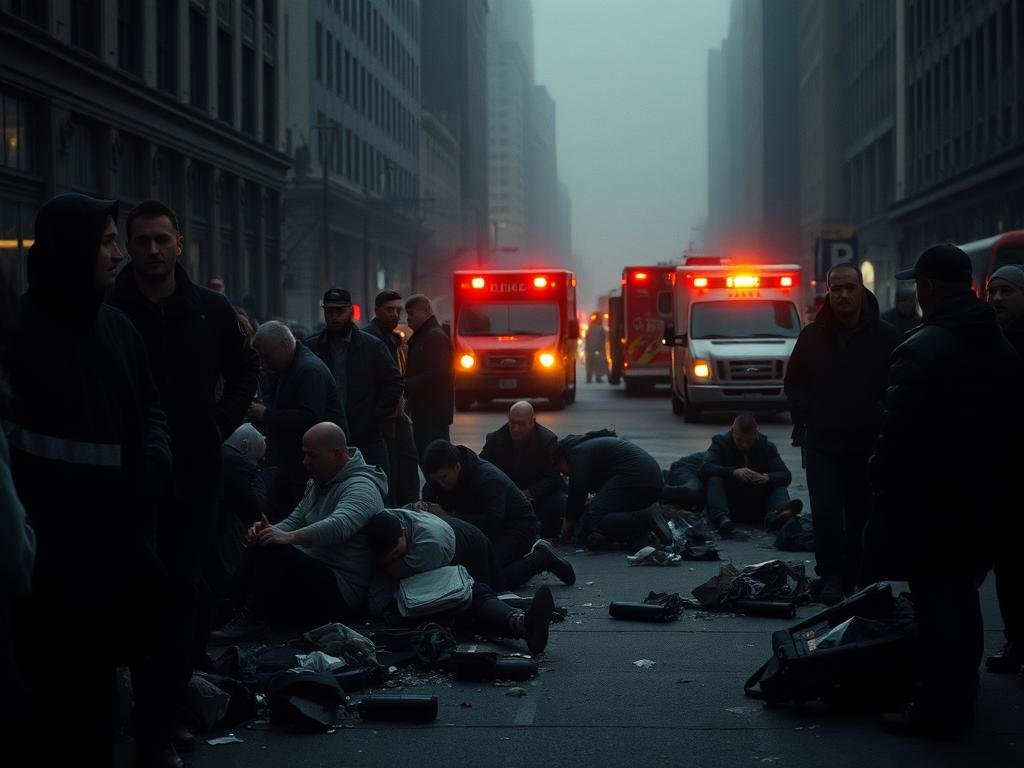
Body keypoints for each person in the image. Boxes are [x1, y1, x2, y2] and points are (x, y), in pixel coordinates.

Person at [4, 193, 172, 767]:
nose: (118, 254)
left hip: (113, 554)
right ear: (73, 251)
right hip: (44, 573)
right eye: (105, 242)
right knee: (51, 717)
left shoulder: (116, 329)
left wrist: (153, 463)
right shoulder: (19, 335)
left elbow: (150, 408)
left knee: (96, 709)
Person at [107, 200, 260, 762]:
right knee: (144, 599)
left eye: (162, 240)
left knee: (188, 596)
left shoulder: (208, 310)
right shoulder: (110, 308)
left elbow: (246, 368)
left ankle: (164, 714)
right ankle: (152, 717)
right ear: (128, 245)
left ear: (179, 243)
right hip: (132, 480)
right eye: (142, 240)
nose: (152, 250)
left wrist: (220, 422)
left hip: (197, 477)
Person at [866, 244, 1022, 739]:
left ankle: (937, 707)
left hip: (930, 502)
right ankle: (961, 699)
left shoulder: (921, 346)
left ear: (930, 287)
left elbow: (898, 432)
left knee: (935, 605)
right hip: (984, 499)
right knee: (963, 600)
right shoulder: (999, 344)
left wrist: (879, 478)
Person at [784, 262, 899, 605]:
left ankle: (859, 576)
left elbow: (896, 386)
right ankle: (832, 575)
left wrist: (879, 415)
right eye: (837, 289)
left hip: (868, 443)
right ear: (828, 292)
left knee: (862, 512)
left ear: (862, 291)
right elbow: (794, 383)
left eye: (850, 288)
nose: (844, 295)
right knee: (826, 511)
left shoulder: (886, 336)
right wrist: (810, 412)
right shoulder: (812, 336)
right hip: (823, 442)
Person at [211, 422, 388, 643]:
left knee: (275, 548)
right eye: (304, 455)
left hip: (342, 591)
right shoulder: (318, 481)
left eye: (312, 456)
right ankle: (225, 609)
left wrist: (288, 538)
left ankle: (253, 619)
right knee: (264, 541)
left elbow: (340, 525)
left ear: (336, 453)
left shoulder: (362, 487)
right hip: (314, 573)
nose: (305, 462)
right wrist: (270, 531)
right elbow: (295, 519)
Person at [364, 509, 556, 654]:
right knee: (468, 604)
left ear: (403, 532)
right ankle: (522, 624)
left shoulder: (429, 542)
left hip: (457, 557)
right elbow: (378, 602)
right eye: (387, 560)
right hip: (411, 605)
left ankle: (522, 622)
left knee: (474, 592)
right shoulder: (384, 561)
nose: (393, 562)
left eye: (397, 554)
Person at [420, 440, 574, 587]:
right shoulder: (439, 480)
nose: (440, 483)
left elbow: (492, 522)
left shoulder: (487, 478)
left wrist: (450, 517)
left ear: (457, 467)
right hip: (479, 529)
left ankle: (541, 559)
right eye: (435, 479)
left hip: (516, 528)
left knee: (491, 581)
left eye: (443, 477)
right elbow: (430, 495)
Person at [305, 288, 403, 494]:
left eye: (339, 311)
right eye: (329, 312)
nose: (334, 317)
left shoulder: (371, 346)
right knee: (328, 496)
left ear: (350, 311)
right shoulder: (313, 347)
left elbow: (393, 382)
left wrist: (376, 416)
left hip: (366, 435)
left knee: (379, 492)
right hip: (326, 438)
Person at [248, 320, 346, 520]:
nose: (265, 363)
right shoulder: (288, 366)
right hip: (296, 460)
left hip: (313, 463)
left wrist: (266, 414)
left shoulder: (309, 370)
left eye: (268, 356)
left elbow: (310, 417)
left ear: (285, 345)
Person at [984, 263, 1024, 675]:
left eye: (1007, 291)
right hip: (1004, 473)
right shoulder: (991, 341)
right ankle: (1017, 640)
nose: (997, 299)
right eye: (992, 291)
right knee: (1009, 565)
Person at [555, 432, 672, 550]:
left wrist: (569, 521)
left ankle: (646, 519)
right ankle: (640, 528)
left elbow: (578, 492)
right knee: (600, 516)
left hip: (635, 476)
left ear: (562, 458)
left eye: (562, 470)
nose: (565, 474)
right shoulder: (587, 448)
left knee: (592, 521)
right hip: (650, 479)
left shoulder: (576, 454)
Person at [698, 413, 802, 535]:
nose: (744, 445)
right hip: (730, 502)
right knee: (714, 479)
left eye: (749, 441)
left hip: (757, 502)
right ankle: (722, 520)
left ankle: (776, 517)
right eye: (739, 440)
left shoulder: (766, 446)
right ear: (732, 431)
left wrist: (766, 477)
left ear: (756, 433)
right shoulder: (720, 443)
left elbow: (785, 475)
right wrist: (734, 472)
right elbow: (705, 468)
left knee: (778, 484)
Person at [364, 289, 420, 505]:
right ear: (377, 310)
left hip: (398, 415)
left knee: (405, 466)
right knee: (393, 470)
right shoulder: (370, 338)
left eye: (398, 310)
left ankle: (409, 511)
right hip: (385, 418)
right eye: (389, 310)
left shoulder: (393, 339)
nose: (395, 315)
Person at [481, 401, 567, 539]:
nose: (515, 428)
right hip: (506, 496)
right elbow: (483, 469)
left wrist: (528, 493)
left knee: (561, 503)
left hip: (537, 496)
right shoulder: (494, 439)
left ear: (532, 422)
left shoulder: (547, 441)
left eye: (521, 424)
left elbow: (553, 478)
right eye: (512, 422)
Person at [404, 294, 454, 460]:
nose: (408, 318)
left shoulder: (434, 337)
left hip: (432, 414)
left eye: (411, 313)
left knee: (436, 461)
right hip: (427, 413)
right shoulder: (425, 336)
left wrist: (406, 385)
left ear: (426, 312)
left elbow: (439, 374)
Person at [585, 315, 608, 383]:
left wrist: (587, 348)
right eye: (600, 319)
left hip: (590, 349)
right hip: (597, 349)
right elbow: (603, 338)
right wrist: (602, 348)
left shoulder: (590, 327)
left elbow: (587, 338)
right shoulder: (600, 328)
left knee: (590, 364)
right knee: (598, 364)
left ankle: (589, 378)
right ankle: (598, 377)